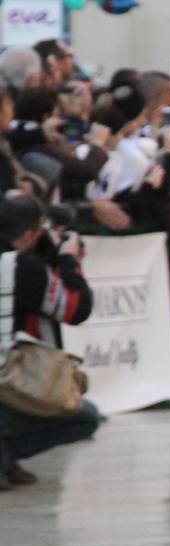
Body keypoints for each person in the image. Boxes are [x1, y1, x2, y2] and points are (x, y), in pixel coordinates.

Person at [0, 193, 99, 488]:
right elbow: (75, 308)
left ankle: (5, 457)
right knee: (85, 417)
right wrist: (68, 259)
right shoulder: (18, 266)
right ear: (30, 234)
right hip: (7, 379)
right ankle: (4, 453)